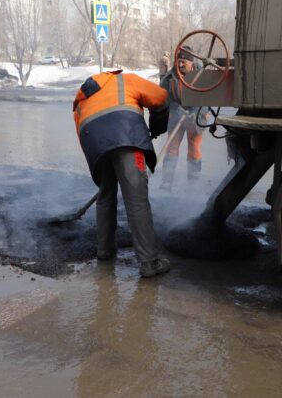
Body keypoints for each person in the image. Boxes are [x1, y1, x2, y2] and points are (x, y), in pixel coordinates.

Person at [73, 69, 171, 278]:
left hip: (95, 146)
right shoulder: (125, 80)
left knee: (106, 195)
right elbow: (161, 97)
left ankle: (105, 251)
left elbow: (82, 134)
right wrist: (158, 124)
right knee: (136, 199)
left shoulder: (82, 100)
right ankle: (149, 262)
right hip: (126, 138)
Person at [160, 46, 207, 187]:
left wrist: (197, 111)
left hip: (197, 116)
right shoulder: (169, 78)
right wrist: (176, 108)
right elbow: (163, 98)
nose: (180, 64)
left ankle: (193, 185)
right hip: (176, 115)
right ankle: (166, 183)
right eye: (178, 61)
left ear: (191, 63)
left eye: (183, 62)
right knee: (172, 147)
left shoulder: (202, 76)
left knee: (194, 148)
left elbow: (209, 97)